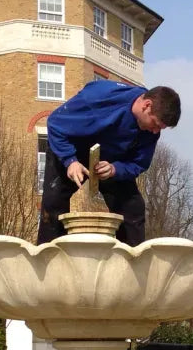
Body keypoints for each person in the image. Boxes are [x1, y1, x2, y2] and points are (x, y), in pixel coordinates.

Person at [37, 81, 181, 246]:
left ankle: (131, 262)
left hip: (110, 162)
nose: (156, 132)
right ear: (146, 105)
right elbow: (55, 123)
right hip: (72, 150)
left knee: (133, 208)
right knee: (53, 204)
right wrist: (70, 160)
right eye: (155, 124)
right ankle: (47, 259)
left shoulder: (150, 132)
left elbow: (139, 163)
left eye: (160, 128)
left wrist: (116, 169)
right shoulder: (99, 98)